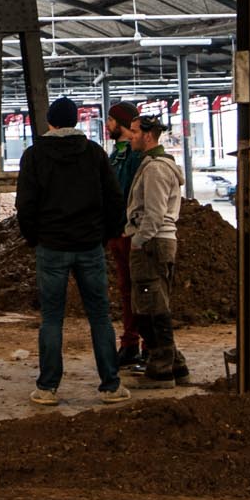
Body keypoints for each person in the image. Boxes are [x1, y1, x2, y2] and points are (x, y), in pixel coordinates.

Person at [16, 96, 130, 407]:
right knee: (100, 317)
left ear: (50, 123)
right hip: (89, 246)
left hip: (52, 246)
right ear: (76, 122)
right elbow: (114, 199)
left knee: (52, 319)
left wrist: (34, 238)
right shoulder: (94, 153)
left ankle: (47, 388)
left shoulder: (35, 155)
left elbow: (25, 205)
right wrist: (105, 234)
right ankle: (110, 385)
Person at [125, 114, 189, 384]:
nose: (131, 136)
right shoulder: (156, 165)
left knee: (149, 307)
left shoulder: (155, 169)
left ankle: (161, 369)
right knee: (155, 303)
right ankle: (176, 365)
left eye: (135, 131)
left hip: (152, 243)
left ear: (148, 136)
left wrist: (139, 241)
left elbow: (154, 213)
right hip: (158, 241)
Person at [103, 102, 144, 369]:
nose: (107, 125)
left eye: (110, 120)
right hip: (118, 232)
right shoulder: (115, 154)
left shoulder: (133, 156)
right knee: (127, 289)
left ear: (121, 123)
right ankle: (130, 344)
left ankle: (143, 345)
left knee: (138, 289)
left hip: (131, 232)